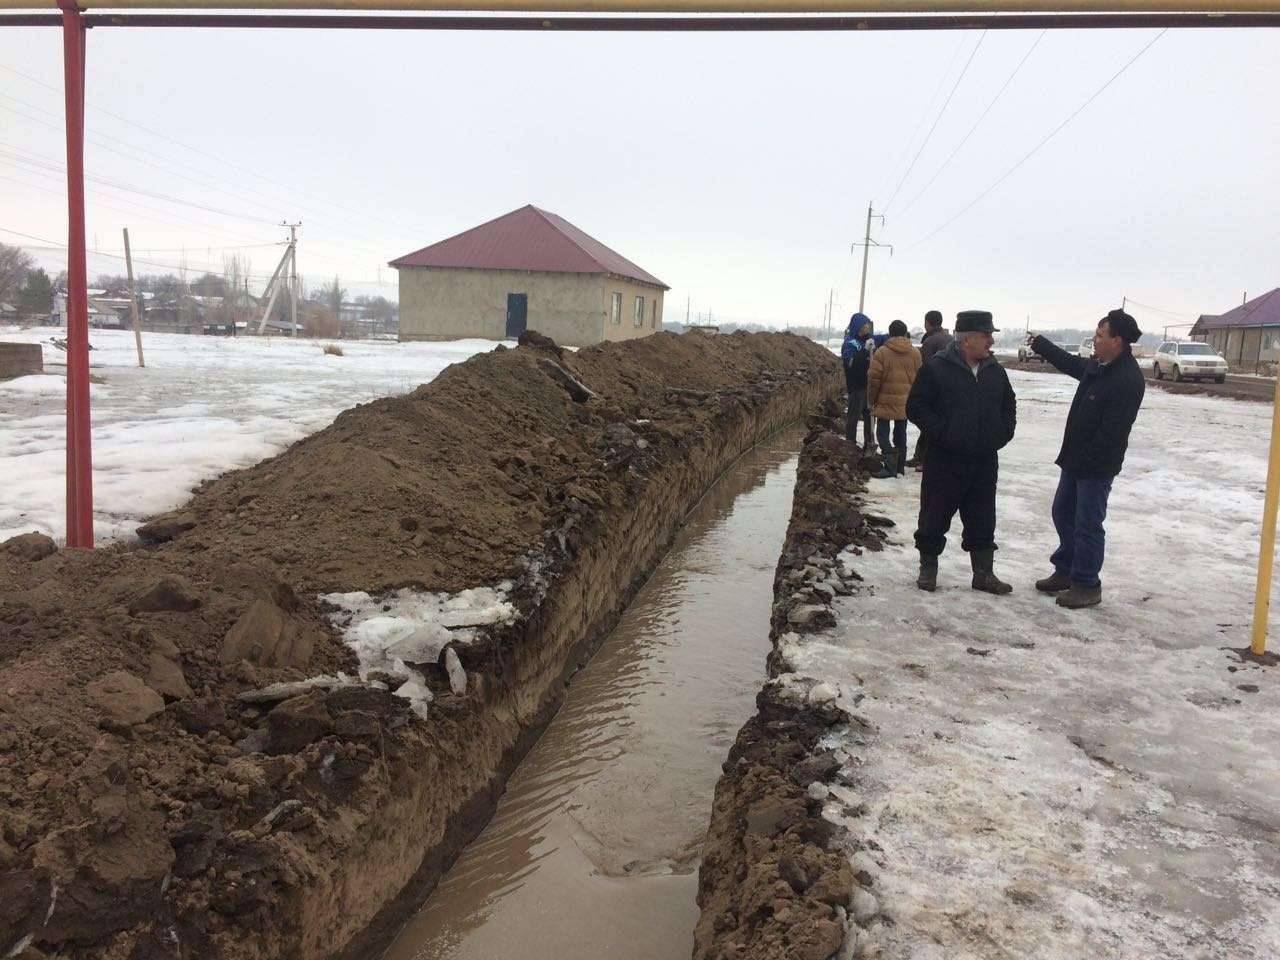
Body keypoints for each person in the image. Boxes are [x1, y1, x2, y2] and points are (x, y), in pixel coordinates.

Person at [1025, 309, 1145, 609]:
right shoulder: (1099, 366)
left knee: (1088, 524)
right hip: (1075, 461)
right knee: (1062, 513)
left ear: (1117, 340)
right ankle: (1066, 570)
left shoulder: (1127, 379)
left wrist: (1086, 460)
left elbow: (1112, 434)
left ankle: (1087, 584)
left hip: (1096, 466)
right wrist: (1042, 344)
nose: (1095, 339)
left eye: (1100, 335)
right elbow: (1070, 363)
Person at [906, 310, 1017, 594]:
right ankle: (928, 569)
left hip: (983, 460)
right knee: (934, 515)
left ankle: (983, 574)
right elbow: (916, 407)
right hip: (946, 459)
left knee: (982, 517)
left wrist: (1002, 433)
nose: (991, 341)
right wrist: (944, 434)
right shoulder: (936, 368)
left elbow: (1009, 404)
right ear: (967, 340)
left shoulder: (995, 370)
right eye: (986, 335)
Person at [868, 319, 922, 478]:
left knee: (882, 433)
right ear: (905, 333)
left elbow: (873, 380)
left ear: (890, 333)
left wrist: (871, 400)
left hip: (885, 400)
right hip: (905, 401)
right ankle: (899, 467)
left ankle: (890, 466)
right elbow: (920, 378)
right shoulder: (915, 353)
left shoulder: (882, 352)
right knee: (901, 432)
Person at [906, 310, 953, 470]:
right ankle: (920, 457)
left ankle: (924, 460)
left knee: (929, 426)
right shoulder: (951, 339)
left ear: (927, 323)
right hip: (951, 389)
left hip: (935, 391)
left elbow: (925, 369)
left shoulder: (930, 342)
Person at [841, 313, 875, 452]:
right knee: (853, 417)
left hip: (870, 385)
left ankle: (869, 445)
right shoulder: (850, 343)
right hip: (857, 385)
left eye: (868, 324)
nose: (867, 327)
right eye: (865, 324)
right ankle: (850, 445)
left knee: (870, 418)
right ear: (859, 326)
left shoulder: (869, 340)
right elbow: (851, 364)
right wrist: (864, 352)